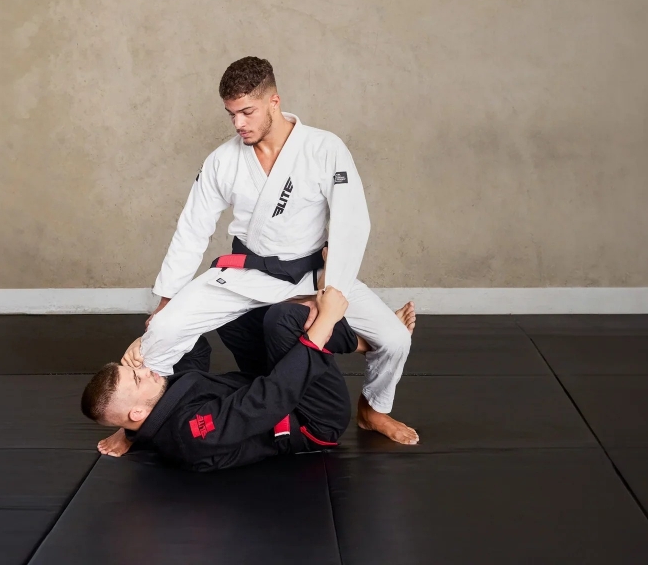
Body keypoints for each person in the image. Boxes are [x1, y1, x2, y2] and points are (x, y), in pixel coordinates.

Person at [119, 56, 417, 446]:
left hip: (312, 275)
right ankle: (137, 424)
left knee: (395, 340)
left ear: (274, 101)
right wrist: (166, 300)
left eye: (247, 112)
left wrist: (333, 292)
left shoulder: (323, 148)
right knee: (164, 330)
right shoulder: (222, 161)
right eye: (231, 114)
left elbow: (351, 225)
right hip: (245, 274)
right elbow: (192, 230)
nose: (238, 124)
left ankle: (373, 409)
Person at [81, 288, 357, 472]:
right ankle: (364, 340)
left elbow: (195, 348)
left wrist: (149, 342)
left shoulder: (156, 402)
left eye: (135, 369)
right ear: (137, 412)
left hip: (266, 385)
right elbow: (268, 400)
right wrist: (326, 321)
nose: (146, 370)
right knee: (284, 319)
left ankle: (342, 331)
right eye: (137, 379)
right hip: (311, 419)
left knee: (229, 313)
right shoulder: (189, 434)